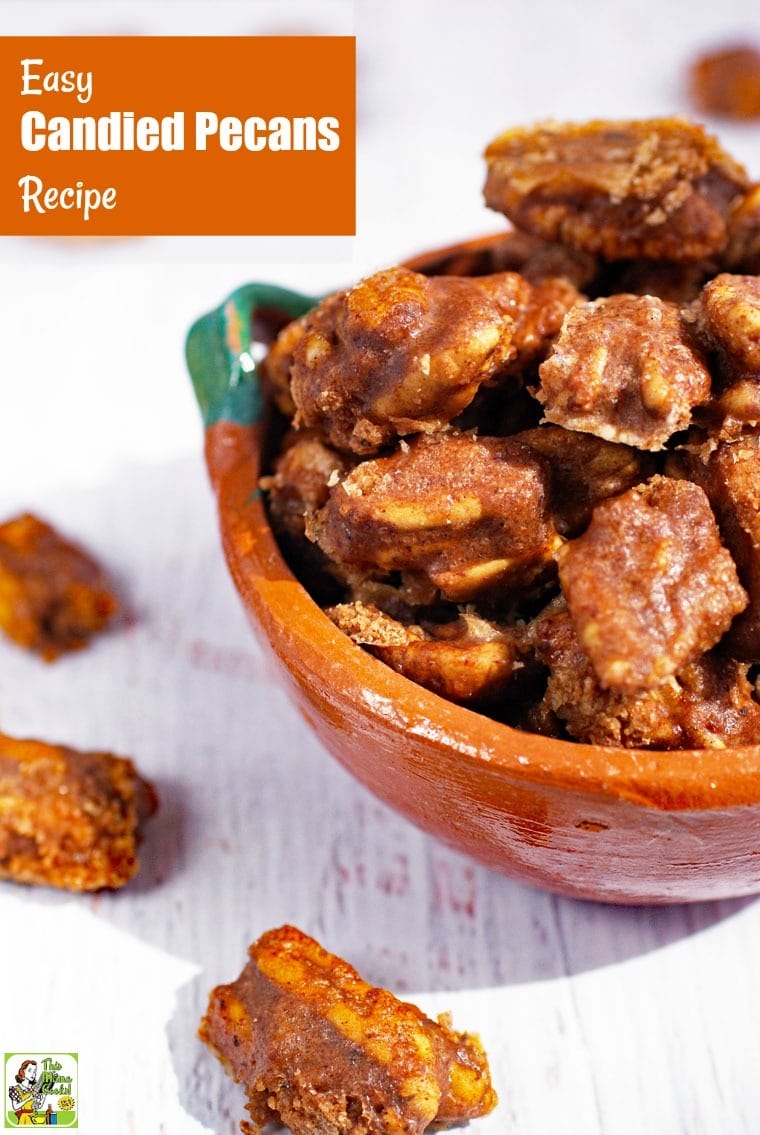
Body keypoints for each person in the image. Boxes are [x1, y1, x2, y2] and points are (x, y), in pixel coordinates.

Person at [7, 1060, 46, 1126]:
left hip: (33, 1118)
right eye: (30, 1071)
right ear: (23, 1071)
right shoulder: (15, 1089)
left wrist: (44, 1096)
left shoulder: (34, 1089)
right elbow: (15, 1107)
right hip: (24, 1119)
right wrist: (28, 1099)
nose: (33, 1074)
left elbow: (38, 1107)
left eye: (34, 1072)